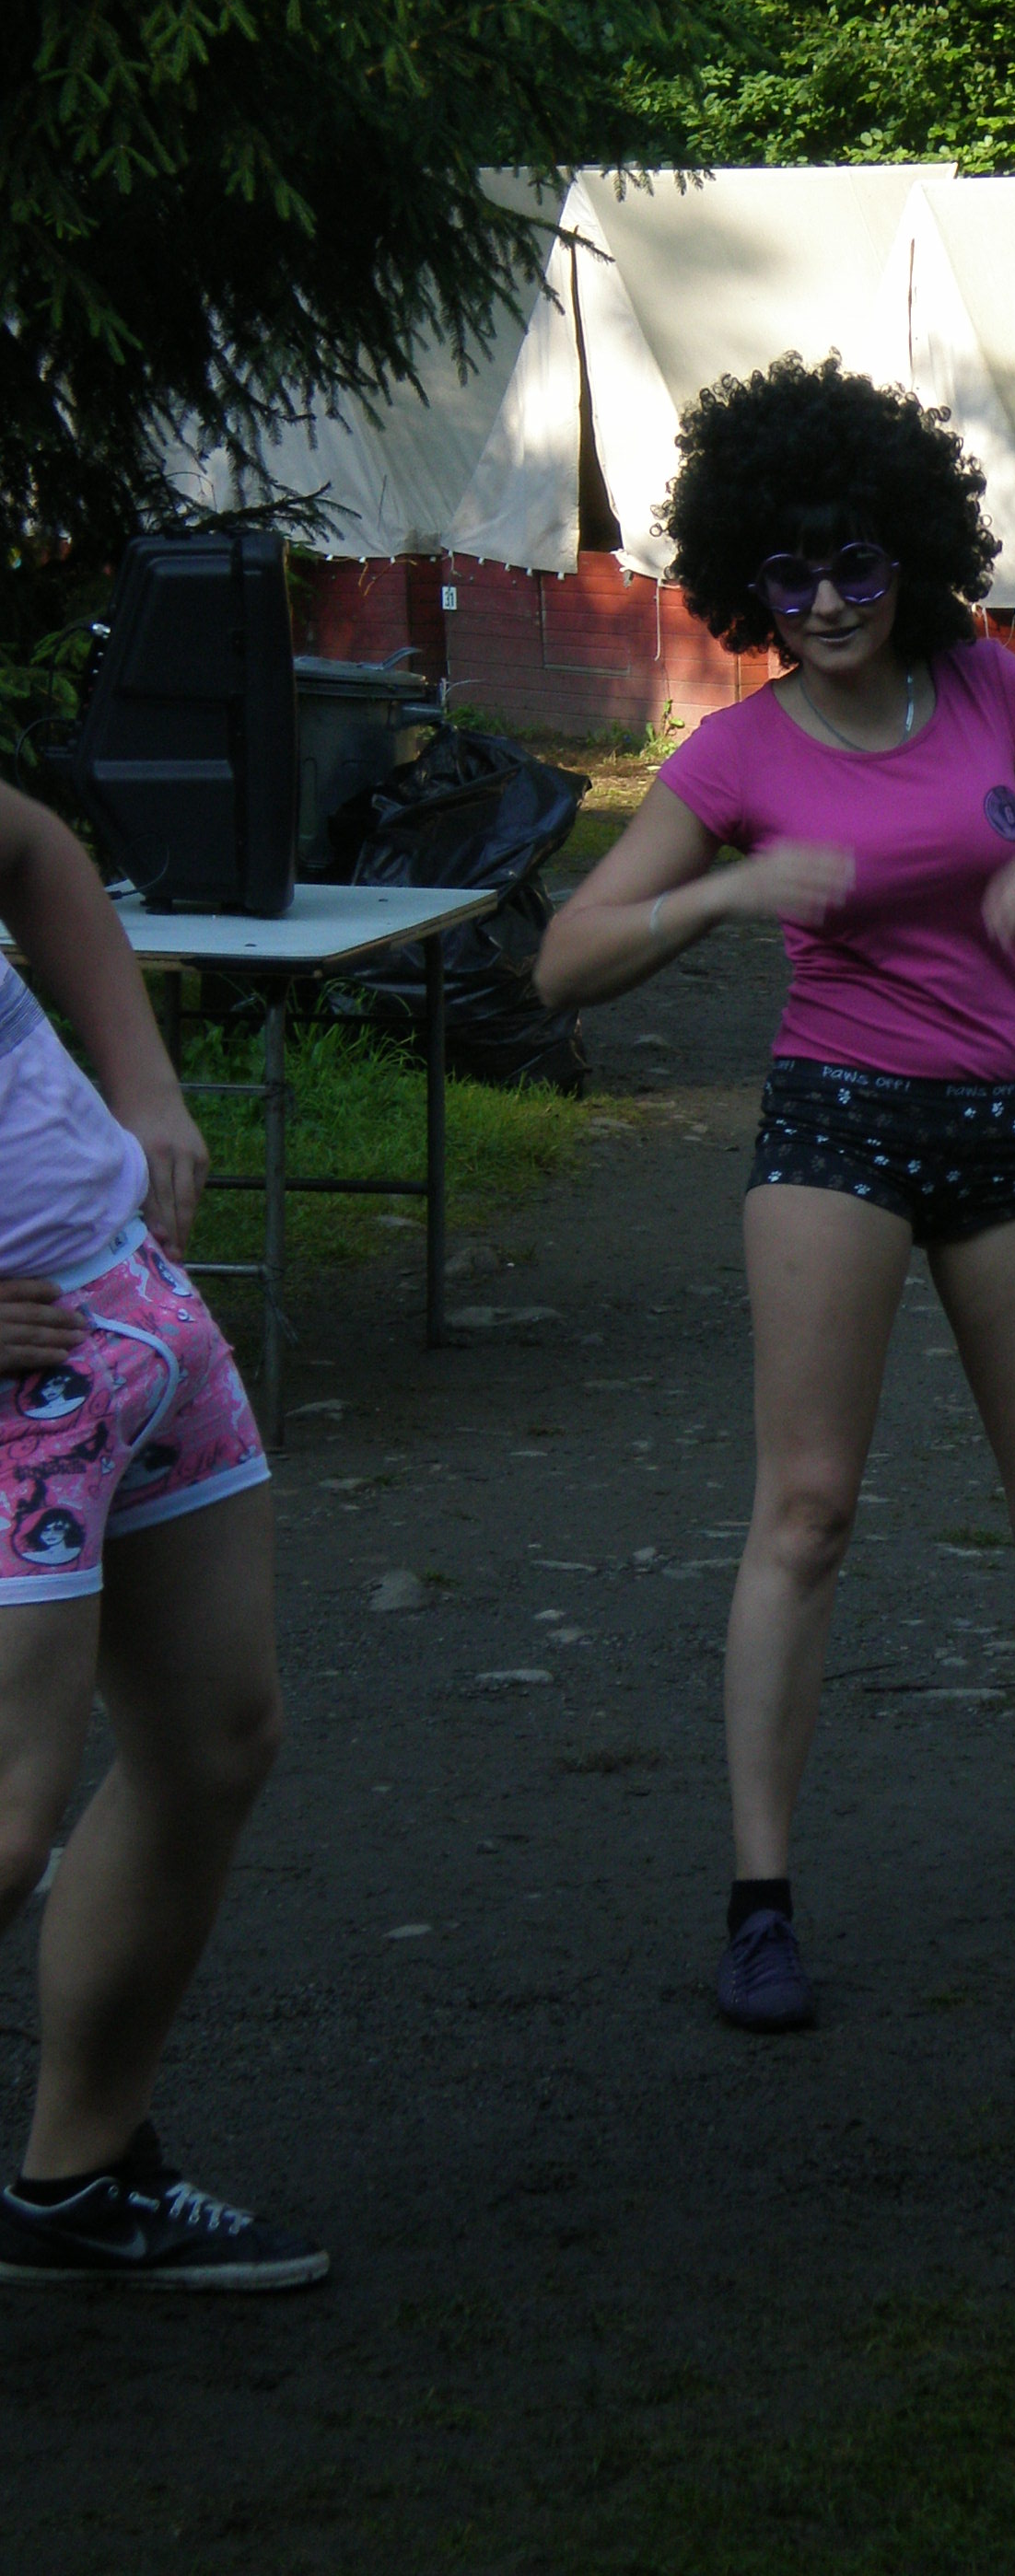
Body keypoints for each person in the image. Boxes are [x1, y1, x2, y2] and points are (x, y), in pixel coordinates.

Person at [537, 356, 1015, 2028]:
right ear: (750, 586)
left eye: (856, 565)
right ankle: (761, 1909)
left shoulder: (992, 689)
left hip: (1010, 1128)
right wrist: (718, 900)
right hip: (839, 1129)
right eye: (789, 575)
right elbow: (566, 961)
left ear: (911, 558)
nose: (825, 603)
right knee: (807, 1513)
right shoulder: (735, 756)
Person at [0, 778, 325, 2285]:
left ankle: (77, 2180)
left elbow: (27, 845)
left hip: (129, 1309)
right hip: (13, 1389)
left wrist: (144, 1086)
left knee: (213, 1741)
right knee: (7, 1828)